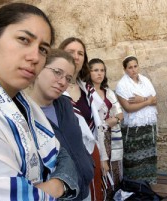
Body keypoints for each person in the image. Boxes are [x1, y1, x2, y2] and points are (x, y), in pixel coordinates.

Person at [0, 3, 78, 200]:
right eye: (23, 39)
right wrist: (62, 185)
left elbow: (63, 155)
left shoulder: (26, 104)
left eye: (43, 49)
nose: (34, 57)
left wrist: (58, 183)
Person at [28, 49, 94, 200]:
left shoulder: (65, 104)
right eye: (57, 72)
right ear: (38, 70)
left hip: (84, 189)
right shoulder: (25, 114)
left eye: (68, 78)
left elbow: (77, 140)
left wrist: (88, 164)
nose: (63, 82)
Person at [59, 37, 106, 201]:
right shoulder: (55, 88)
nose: (76, 56)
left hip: (91, 153)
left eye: (80, 53)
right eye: (70, 52)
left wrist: (103, 158)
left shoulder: (87, 89)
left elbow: (97, 127)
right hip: (66, 159)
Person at [115, 55, 158, 184]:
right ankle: (134, 186)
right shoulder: (121, 85)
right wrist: (148, 100)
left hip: (149, 125)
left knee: (149, 156)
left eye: (135, 66)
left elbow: (155, 101)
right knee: (133, 159)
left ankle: (148, 185)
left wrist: (142, 100)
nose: (133, 70)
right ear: (125, 69)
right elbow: (128, 108)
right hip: (133, 128)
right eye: (130, 67)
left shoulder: (145, 80)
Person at [88, 58, 124, 198]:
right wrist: (105, 123)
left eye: (102, 70)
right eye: (95, 70)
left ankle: (113, 195)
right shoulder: (87, 93)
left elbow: (120, 114)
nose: (99, 74)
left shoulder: (108, 91)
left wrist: (113, 120)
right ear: (89, 72)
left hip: (111, 136)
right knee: (100, 168)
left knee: (113, 168)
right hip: (97, 137)